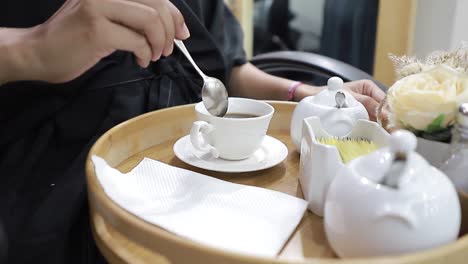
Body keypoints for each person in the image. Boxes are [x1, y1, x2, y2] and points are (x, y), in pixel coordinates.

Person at [0, 0, 385, 263]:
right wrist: (33, 49)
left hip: (207, 174)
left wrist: (304, 92)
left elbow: (227, 70)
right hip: (57, 178)